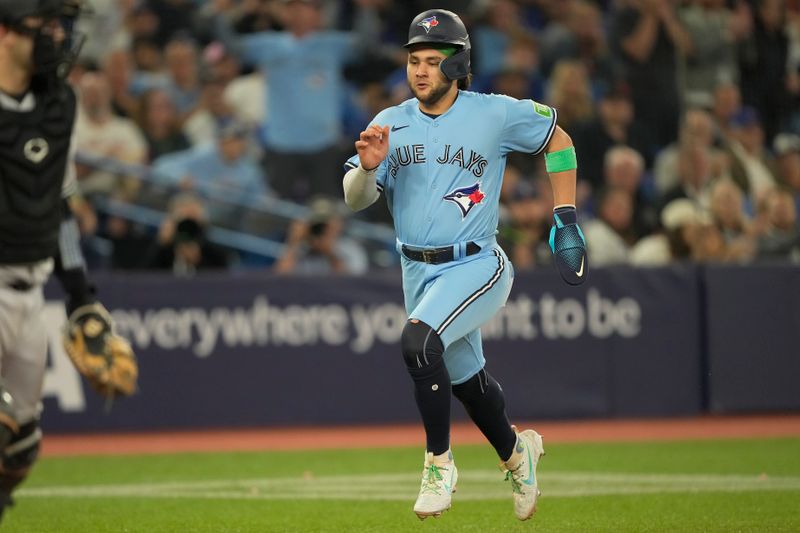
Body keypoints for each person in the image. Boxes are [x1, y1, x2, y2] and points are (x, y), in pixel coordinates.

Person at [342, 9, 587, 522]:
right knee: (465, 381)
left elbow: (557, 140)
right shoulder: (389, 122)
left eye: (433, 60)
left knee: (417, 343)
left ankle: (439, 463)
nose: (421, 70)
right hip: (417, 268)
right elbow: (354, 199)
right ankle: (518, 454)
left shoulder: (494, 113)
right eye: (414, 60)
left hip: (478, 263)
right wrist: (366, 169)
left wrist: (563, 213)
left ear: (458, 65)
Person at [0, 0, 125, 521]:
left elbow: (60, 203)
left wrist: (80, 299)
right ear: (6, 32)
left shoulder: (60, 103)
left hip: (30, 293)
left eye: (61, 25)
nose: (59, 35)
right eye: (46, 25)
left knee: (19, 450)